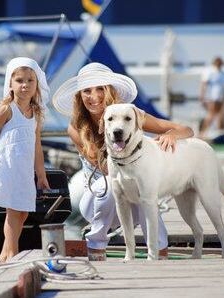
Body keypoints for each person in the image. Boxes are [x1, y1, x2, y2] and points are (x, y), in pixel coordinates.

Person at [52, 62, 194, 260]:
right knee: (113, 183)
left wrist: (171, 135)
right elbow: (108, 169)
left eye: (100, 88)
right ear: (79, 96)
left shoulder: (130, 114)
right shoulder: (76, 128)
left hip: (131, 198)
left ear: (109, 90)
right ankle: (96, 245)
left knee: (144, 189)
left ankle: (160, 250)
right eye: (86, 91)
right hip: (96, 200)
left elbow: (187, 130)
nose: (93, 96)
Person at [0, 57, 50, 264]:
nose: (25, 85)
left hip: (24, 168)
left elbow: (37, 145)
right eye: (19, 80)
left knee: (24, 211)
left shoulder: (35, 112)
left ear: (37, 85)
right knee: (13, 209)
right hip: (7, 165)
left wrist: (41, 173)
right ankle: (13, 253)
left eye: (30, 80)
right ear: (10, 83)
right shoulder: (6, 109)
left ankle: (4, 254)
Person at [199, 57, 224, 140]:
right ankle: (202, 134)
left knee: (222, 117)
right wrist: (202, 97)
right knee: (210, 116)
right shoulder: (211, 73)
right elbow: (204, 85)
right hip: (213, 98)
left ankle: (222, 136)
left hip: (222, 99)